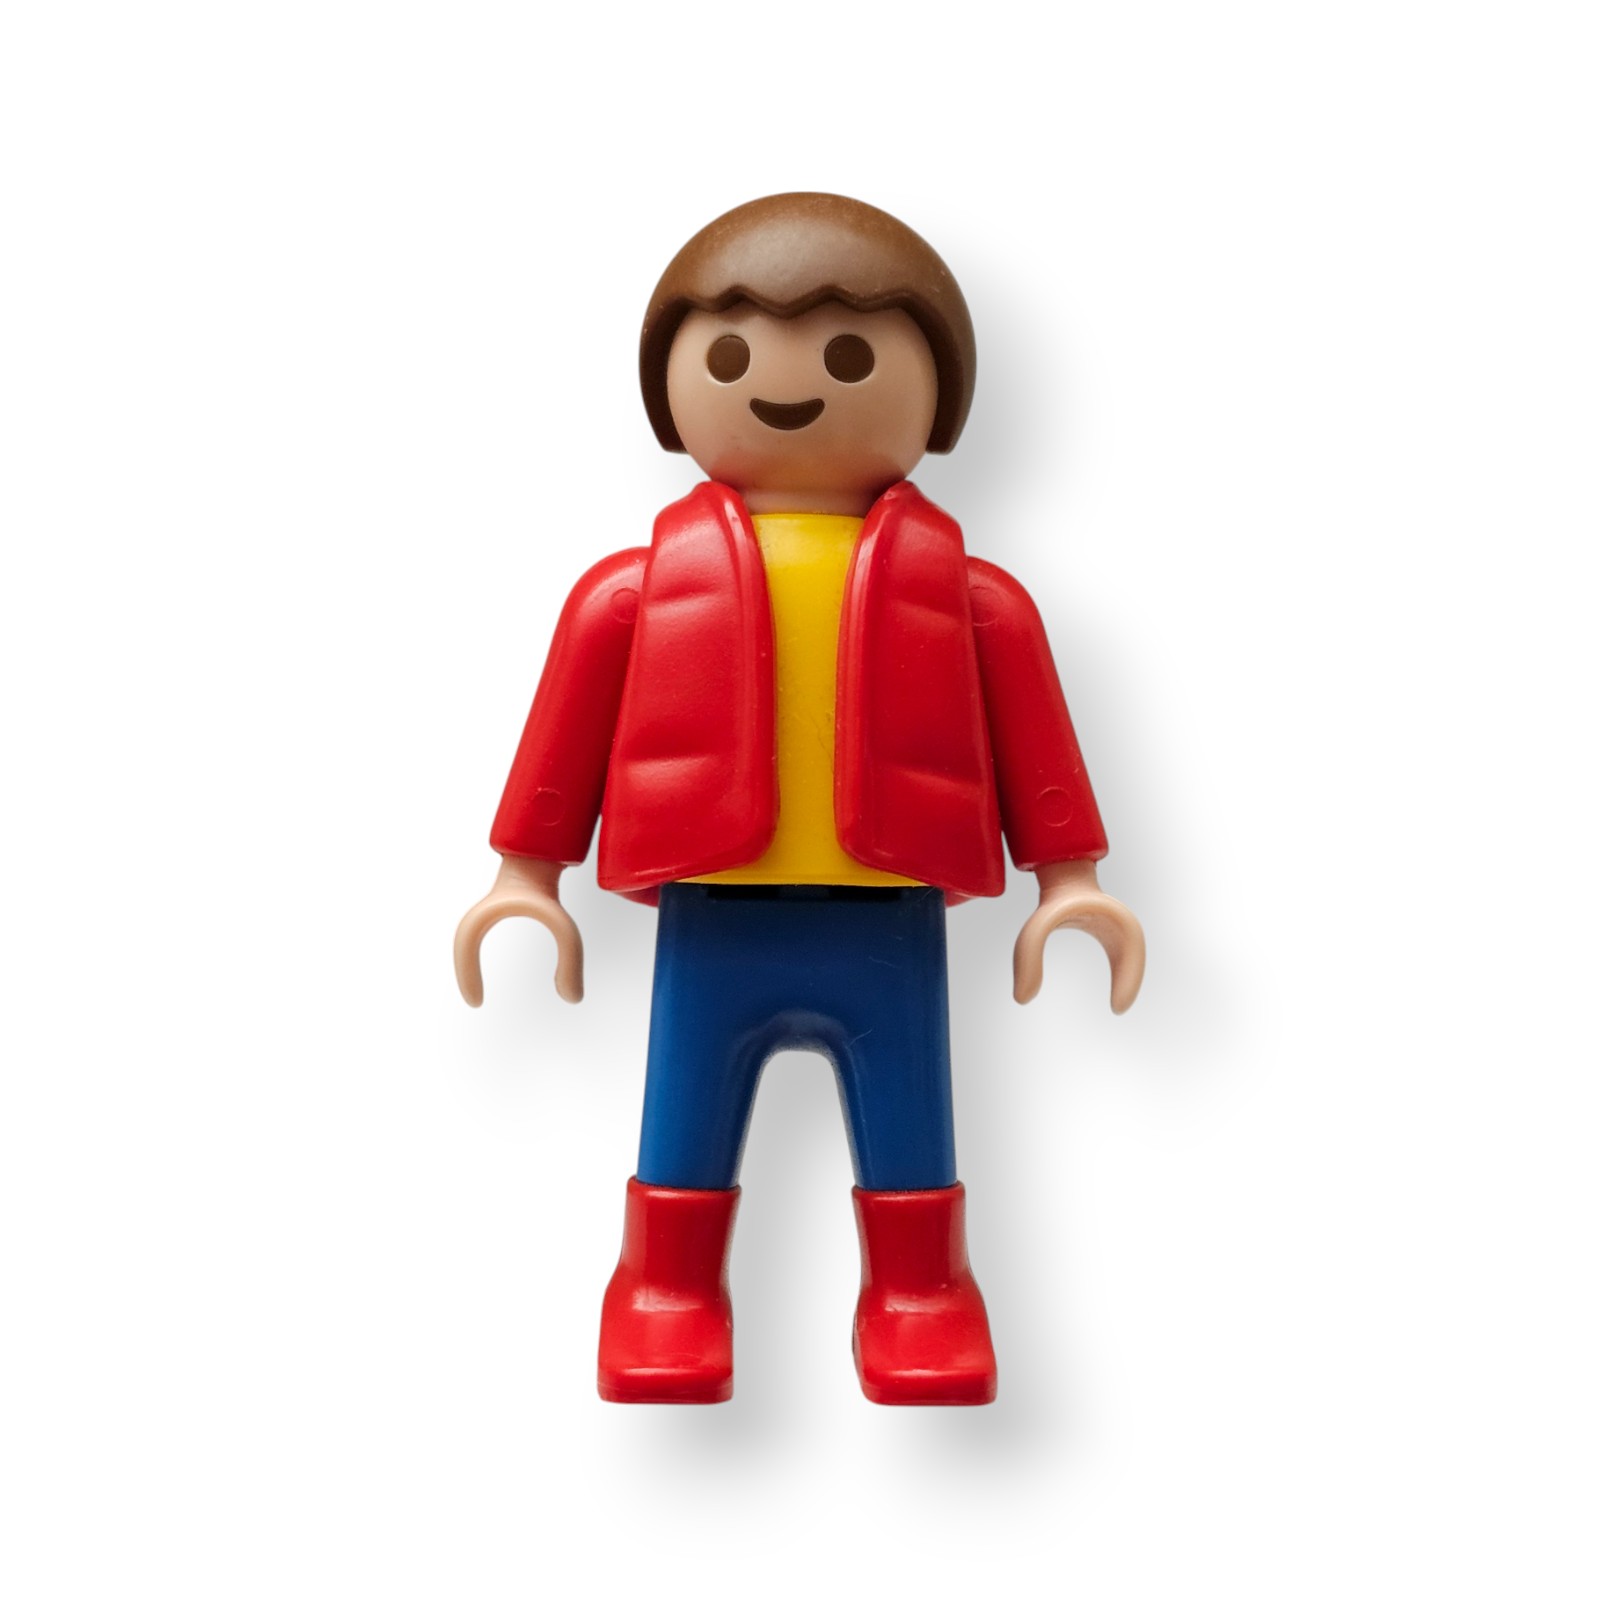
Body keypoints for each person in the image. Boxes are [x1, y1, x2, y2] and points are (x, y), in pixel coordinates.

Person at [455, 192, 1145, 1405]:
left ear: (938, 396)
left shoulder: (972, 600)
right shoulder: (634, 592)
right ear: (670, 387)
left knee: (910, 1120)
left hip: (888, 918)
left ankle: (921, 1293)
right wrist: (526, 873)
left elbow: (1035, 734)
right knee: (683, 1115)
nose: (785, 388)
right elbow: (565, 731)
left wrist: (1071, 878)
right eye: (728, 357)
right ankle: (664, 1290)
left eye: (851, 358)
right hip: (713, 914)